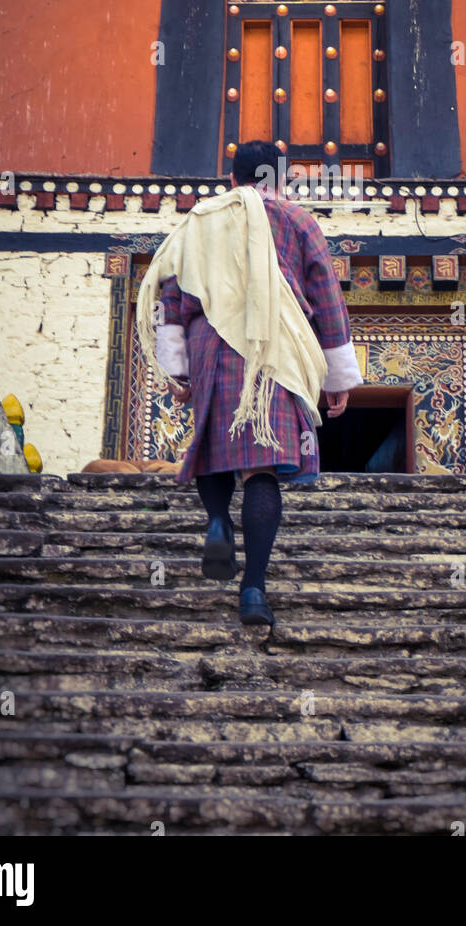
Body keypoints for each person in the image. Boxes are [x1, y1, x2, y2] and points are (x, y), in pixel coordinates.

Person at [135, 140, 363, 626]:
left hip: (208, 342)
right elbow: (326, 294)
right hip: (273, 349)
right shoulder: (298, 222)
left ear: (232, 179)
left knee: (215, 452)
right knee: (260, 469)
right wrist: (336, 375)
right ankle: (254, 590)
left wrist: (175, 366)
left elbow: (173, 291)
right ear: (280, 181)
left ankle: (218, 521)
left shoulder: (200, 220)